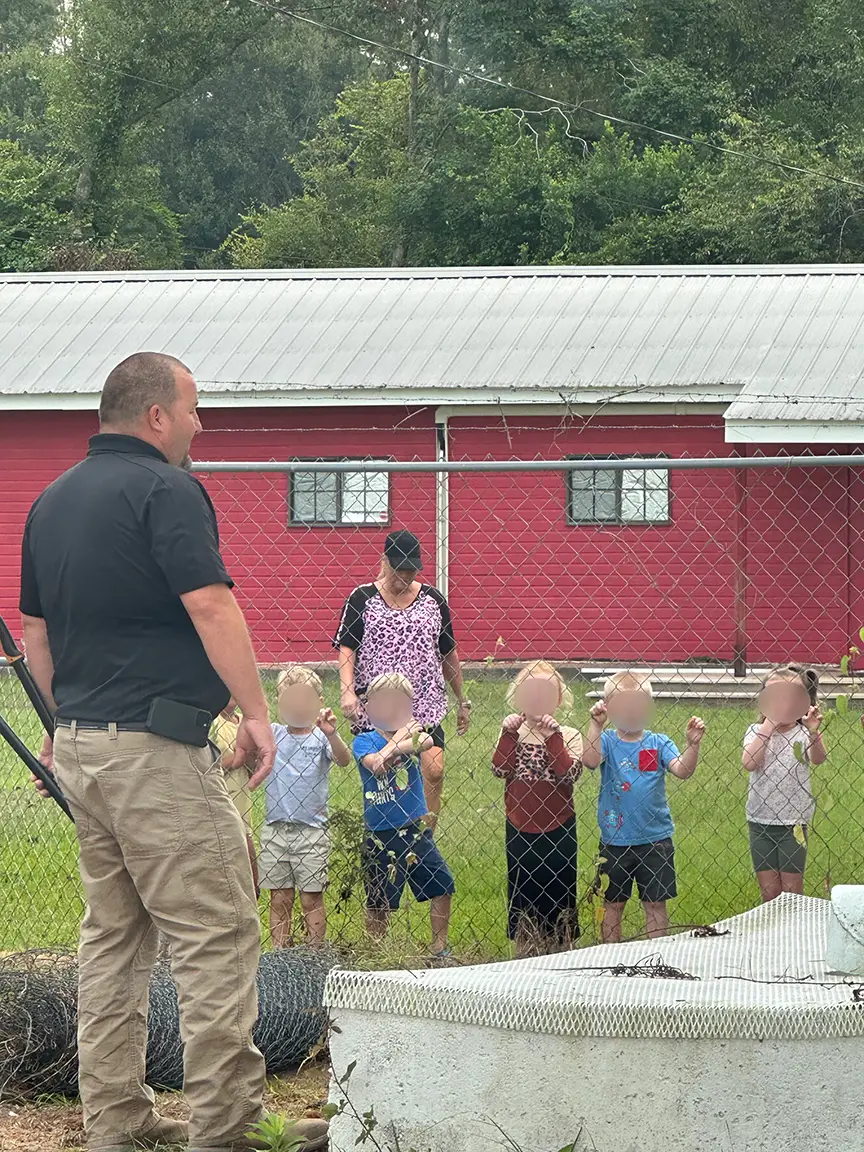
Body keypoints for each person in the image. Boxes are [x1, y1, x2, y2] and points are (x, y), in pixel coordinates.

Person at [19, 352, 327, 1152]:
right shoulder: (168, 488)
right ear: (156, 415)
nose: (200, 423)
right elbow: (209, 602)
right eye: (193, 408)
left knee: (112, 939)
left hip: (83, 747)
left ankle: (116, 1121)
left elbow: (37, 633)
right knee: (217, 929)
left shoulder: (49, 502)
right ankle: (227, 1127)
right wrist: (258, 714)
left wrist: (61, 725)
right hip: (155, 750)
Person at [334, 530, 470, 831]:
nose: (404, 577)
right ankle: (388, 835)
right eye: (398, 570)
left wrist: (462, 700)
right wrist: (347, 693)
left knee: (433, 771)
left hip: (423, 705)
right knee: (386, 776)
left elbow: (449, 652)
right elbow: (347, 648)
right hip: (380, 707)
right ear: (383, 562)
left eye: (410, 571)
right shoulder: (361, 598)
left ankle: (424, 836)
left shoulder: (433, 600)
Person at [582, 671, 705, 943]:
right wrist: (595, 726)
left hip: (655, 839)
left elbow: (682, 771)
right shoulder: (607, 742)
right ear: (610, 709)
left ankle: (657, 955)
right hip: (615, 839)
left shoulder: (658, 743)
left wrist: (692, 746)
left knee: (655, 903)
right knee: (613, 903)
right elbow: (590, 761)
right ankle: (610, 954)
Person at [352, 673, 455, 958]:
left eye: (400, 704)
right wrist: (396, 744)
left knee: (442, 884)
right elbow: (376, 766)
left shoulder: (415, 734)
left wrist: (399, 742)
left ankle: (439, 946)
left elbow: (426, 741)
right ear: (370, 708)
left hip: (414, 829)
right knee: (379, 900)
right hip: (380, 833)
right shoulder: (363, 741)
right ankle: (376, 951)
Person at [492, 661, 583, 956]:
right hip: (519, 823)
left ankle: (561, 946)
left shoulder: (568, 734)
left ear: (558, 700)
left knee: (559, 886)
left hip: (559, 823)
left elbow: (568, 775)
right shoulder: (512, 731)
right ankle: (525, 949)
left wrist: (553, 737)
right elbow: (499, 770)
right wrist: (508, 736)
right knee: (523, 887)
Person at [261, 666, 350, 948]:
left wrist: (332, 734)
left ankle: (314, 952)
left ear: (319, 703)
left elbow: (344, 760)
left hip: (311, 832)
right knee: (279, 897)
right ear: (279, 702)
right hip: (275, 830)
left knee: (311, 897)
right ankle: (280, 954)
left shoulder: (321, 737)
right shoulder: (273, 733)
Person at [742, 665, 826, 903]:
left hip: (794, 823)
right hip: (760, 822)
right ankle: (772, 936)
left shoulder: (802, 734)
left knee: (791, 890)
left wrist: (813, 732)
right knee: (769, 891)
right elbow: (749, 762)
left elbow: (819, 759)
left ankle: (793, 934)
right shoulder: (755, 731)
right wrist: (768, 726)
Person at [211, 699, 260, 898]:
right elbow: (211, 765)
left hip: (242, 807)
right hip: (217, 808)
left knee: (250, 880)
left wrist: (252, 756)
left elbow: (250, 772)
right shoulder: (212, 722)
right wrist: (241, 754)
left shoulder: (243, 722)